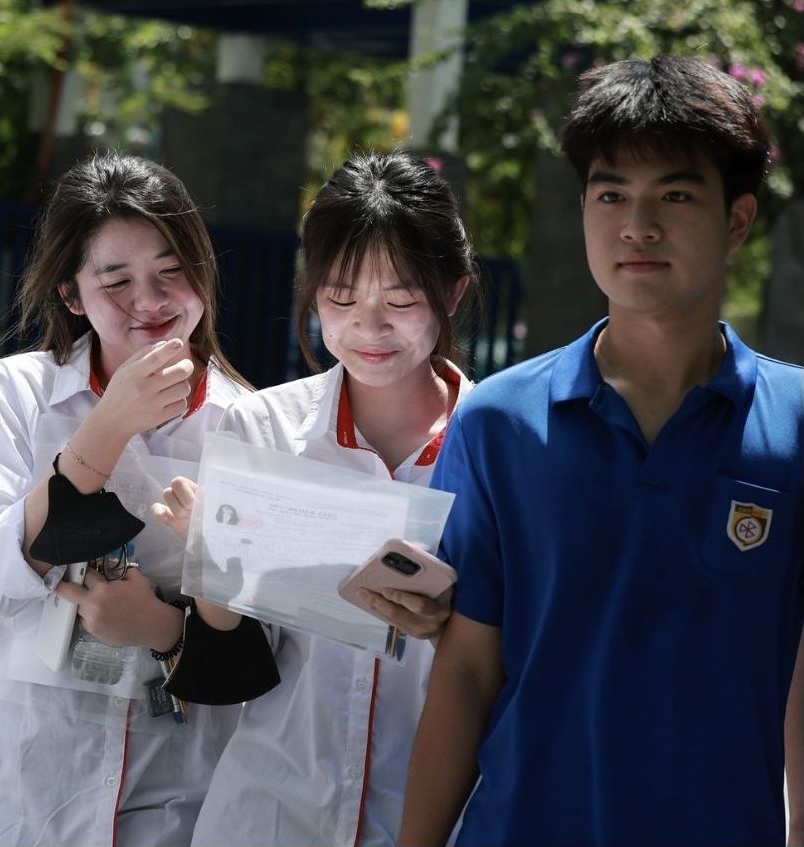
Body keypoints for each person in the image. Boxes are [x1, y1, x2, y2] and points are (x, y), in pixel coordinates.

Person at [398, 56, 804, 847]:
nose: (637, 225)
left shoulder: (794, 425)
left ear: (738, 219)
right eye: (611, 194)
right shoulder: (498, 422)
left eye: (675, 196)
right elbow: (467, 669)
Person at [153, 150, 476, 846]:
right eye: (340, 297)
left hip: (429, 821)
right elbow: (222, 666)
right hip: (271, 814)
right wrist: (217, 558)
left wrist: (452, 626)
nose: (368, 326)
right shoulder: (262, 429)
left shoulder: (499, 446)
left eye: (400, 301)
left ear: (452, 292)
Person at [0, 152, 251, 847]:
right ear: (72, 295)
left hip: (172, 789)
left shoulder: (250, 424)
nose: (151, 300)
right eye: (117, 281)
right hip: (19, 780)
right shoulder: (19, 393)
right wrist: (107, 426)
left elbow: (266, 640)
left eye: (172, 271)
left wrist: (162, 627)